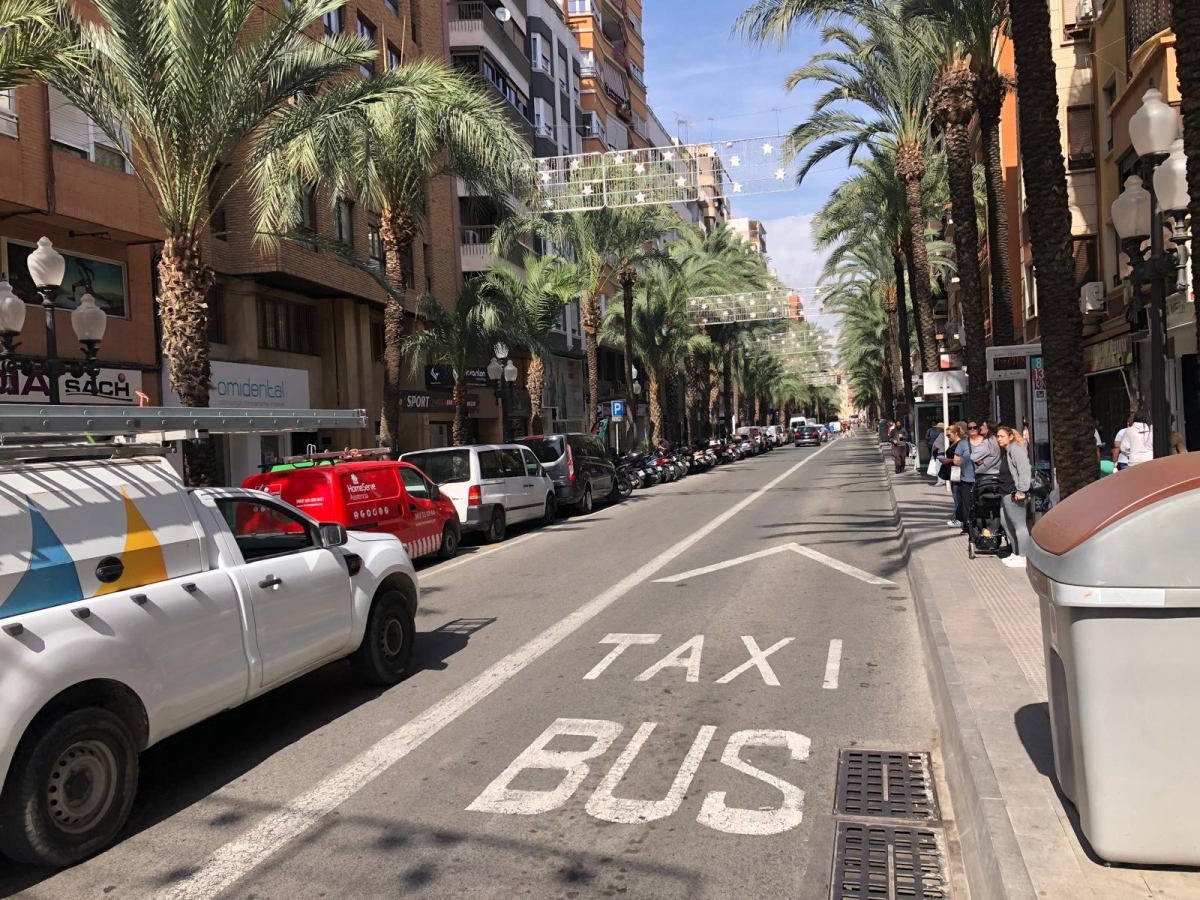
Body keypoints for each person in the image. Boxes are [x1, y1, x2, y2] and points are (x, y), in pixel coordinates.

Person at [996, 426, 1032, 568]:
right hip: (1005, 492)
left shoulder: (1016, 449)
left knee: (1019, 525)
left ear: (1010, 436)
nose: (999, 439)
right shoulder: (1007, 452)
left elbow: (1024, 470)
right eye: (997, 436)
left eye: (1002, 436)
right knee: (1006, 523)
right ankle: (1016, 552)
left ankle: (1024, 556)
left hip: (1014, 492)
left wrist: (1022, 491)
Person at [947, 422, 975, 531]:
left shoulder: (962, 443)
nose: (947, 437)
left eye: (949, 435)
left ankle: (961, 519)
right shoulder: (957, 444)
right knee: (957, 496)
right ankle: (961, 518)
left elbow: (958, 460)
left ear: (956, 433)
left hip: (961, 474)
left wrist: (948, 460)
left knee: (959, 497)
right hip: (955, 473)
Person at [930, 422, 947, 487]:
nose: (936, 429)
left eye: (937, 428)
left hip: (940, 453)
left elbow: (937, 445)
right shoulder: (942, 435)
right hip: (940, 453)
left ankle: (940, 481)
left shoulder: (941, 435)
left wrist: (932, 451)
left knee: (938, 467)